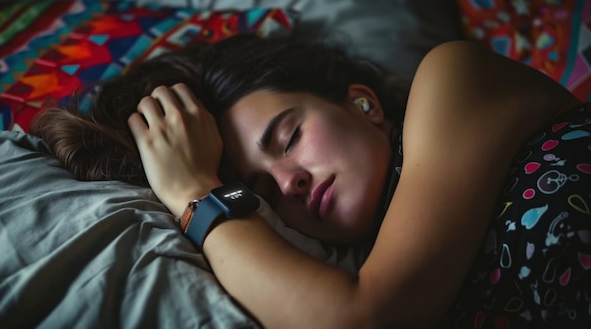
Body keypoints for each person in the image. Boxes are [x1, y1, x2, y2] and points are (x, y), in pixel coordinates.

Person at [31, 35, 591, 327]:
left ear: (362, 102)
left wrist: (195, 193)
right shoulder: (339, 270)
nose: (289, 182)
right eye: (262, 190)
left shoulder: (451, 79)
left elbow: (365, 320)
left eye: (290, 137)